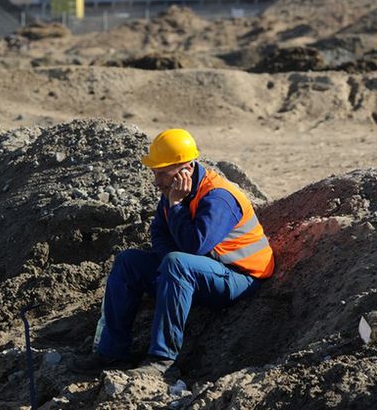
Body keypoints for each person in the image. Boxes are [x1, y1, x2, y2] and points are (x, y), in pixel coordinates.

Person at [70, 128, 274, 381]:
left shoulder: (218, 196)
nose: (156, 181)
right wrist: (167, 268)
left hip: (239, 278)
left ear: (185, 169)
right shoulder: (171, 192)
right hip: (200, 271)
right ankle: (111, 352)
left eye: (162, 173)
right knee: (128, 261)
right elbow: (159, 234)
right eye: (154, 173)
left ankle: (163, 360)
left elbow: (194, 247)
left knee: (177, 263)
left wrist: (176, 206)